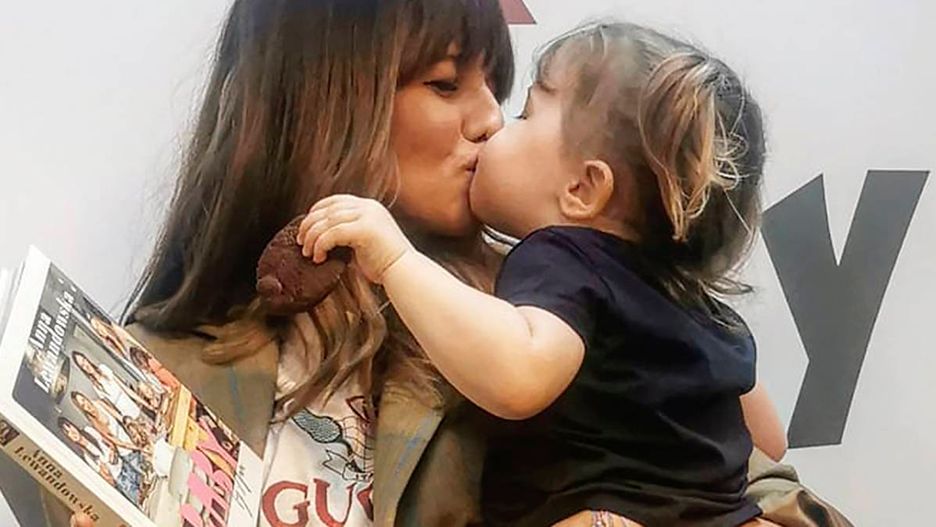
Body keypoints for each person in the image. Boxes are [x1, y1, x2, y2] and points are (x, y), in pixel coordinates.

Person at [58, 1, 850, 526]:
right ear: (326, 100)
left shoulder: (538, 304)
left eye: (502, 89)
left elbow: (761, 479)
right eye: (445, 83)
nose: (489, 120)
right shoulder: (158, 368)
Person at [297, 20, 782, 526]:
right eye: (445, 84)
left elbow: (518, 377)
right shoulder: (700, 306)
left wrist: (396, 260)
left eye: (525, 113)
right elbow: (768, 440)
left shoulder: (560, 259)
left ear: (583, 188)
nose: (494, 124)